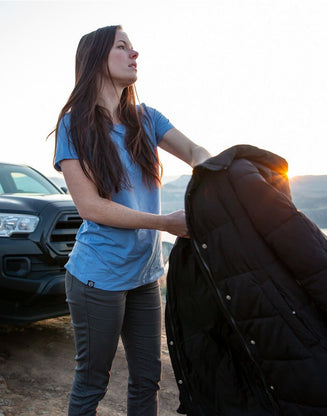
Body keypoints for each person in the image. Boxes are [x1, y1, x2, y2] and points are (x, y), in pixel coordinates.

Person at [52, 25, 210, 415]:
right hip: (97, 278)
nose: (134, 54)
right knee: (93, 380)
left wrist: (215, 171)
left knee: (148, 378)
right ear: (96, 58)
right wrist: (164, 222)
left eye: (133, 47)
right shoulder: (74, 125)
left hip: (144, 276)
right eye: (122, 47)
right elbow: (91, 207)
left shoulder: (147, 118)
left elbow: (193, 150)